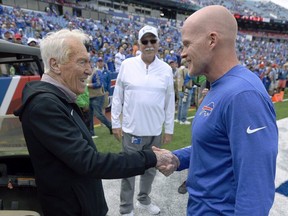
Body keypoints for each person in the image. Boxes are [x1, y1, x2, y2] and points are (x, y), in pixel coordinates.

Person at [14, 29, 178, 216]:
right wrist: (151, 158)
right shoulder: (45, 106)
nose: (89, 70)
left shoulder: (57, 100)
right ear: (55, 65)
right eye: (82, 61)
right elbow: (90, 162)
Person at [158, 5, 278, 215]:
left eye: (187, 44)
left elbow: (256, 189)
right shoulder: (219, 86)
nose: (182, 53)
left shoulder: (242, 95)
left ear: (212, 40)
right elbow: (217, 146)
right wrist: (178, 159)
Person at [111, 25, 175, 216]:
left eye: (152, 41)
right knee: (128, 171)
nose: (149, 45)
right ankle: (125, 208)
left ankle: (143, 199)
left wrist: (169, 128)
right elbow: (118, 96)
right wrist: (115, 123)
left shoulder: (165, 69)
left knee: (150, 170)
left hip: (154, 132)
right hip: (131, 131)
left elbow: (169, 100)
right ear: (139, 44)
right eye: (145, 41)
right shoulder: (127, 65)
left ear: (158, 43)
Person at [87, 57, 112, 136]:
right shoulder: (86, 72)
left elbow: (98, 84)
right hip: (89, 96)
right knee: (89, 115)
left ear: (92, 63)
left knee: (98, 114)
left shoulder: (96, 72)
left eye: (89, 62)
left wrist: (87, 85)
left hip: (97, 96)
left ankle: (110, 126)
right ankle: (91, 133)